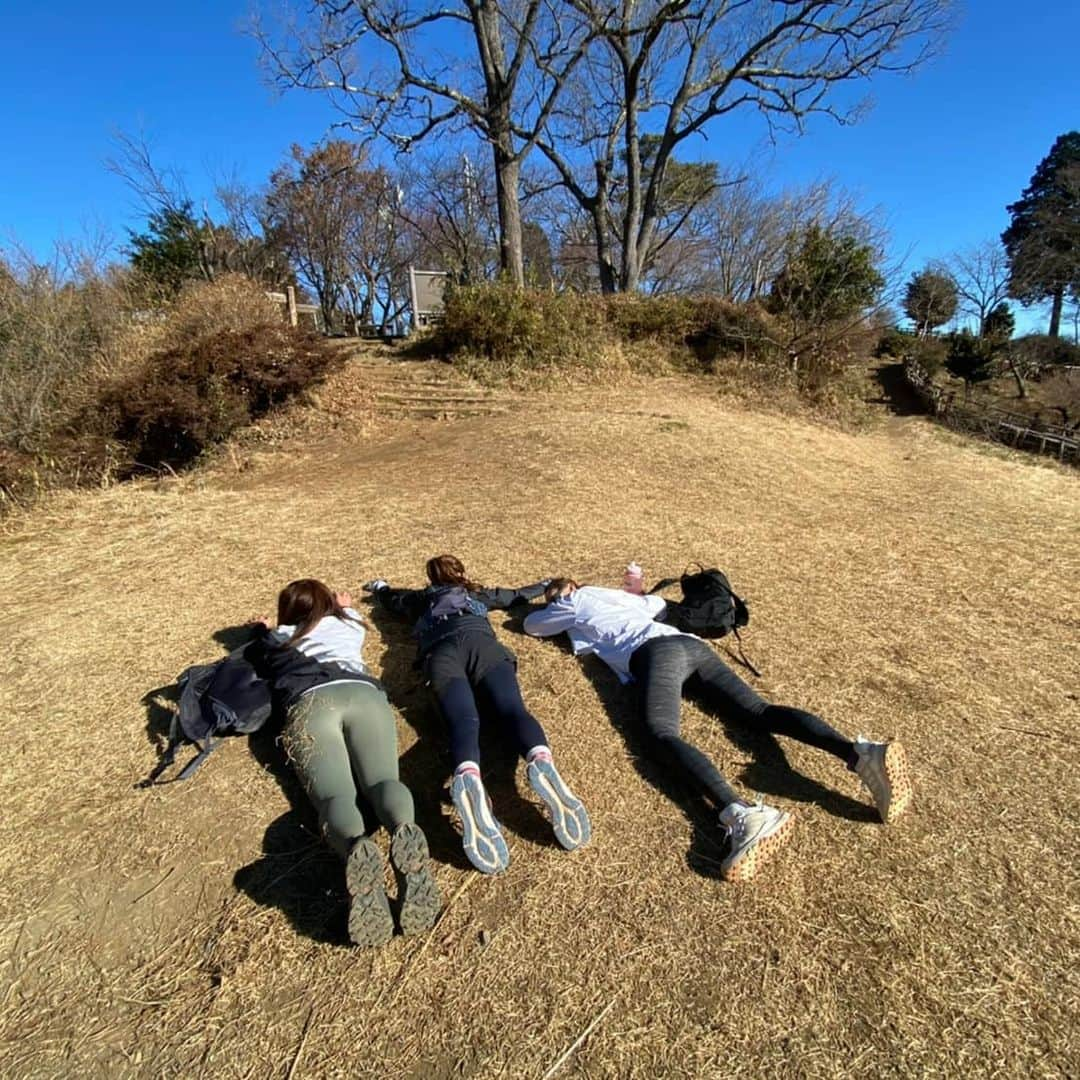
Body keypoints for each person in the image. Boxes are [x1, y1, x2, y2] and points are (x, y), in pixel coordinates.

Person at [523, 579, 912, 883]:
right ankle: (859, 753)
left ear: (564, 593)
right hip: (689, 646)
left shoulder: (572, 603)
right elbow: (657, 605)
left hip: (654, 655)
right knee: (758, 711)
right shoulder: (619, 596)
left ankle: (741, 813)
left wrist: (552, 598)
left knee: (660, 733)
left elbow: (532, 625)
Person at [363, 555, 591, 874]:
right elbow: (516, 595)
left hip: (441, 652)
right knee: (513, 710)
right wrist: (545, 584)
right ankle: (540, 759)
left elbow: (391, 600)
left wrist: (379, 587)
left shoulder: (419, 599)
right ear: (462, 573)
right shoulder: (478, 594)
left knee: (463, 720)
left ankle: (468, 775)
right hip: (483, 646)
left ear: (431, 578)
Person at [253, 579, 441, 946]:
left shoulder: (283, 635)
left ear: (289, 612)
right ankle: (403, 827)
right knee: (383, 780)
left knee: (335, 797)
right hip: (365, 695)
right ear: (331, 605)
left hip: (312, 704)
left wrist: (262, 630)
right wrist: (342, 605)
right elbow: (348, 608)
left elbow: (263, 649)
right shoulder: (350, 623)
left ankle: (356, 846)